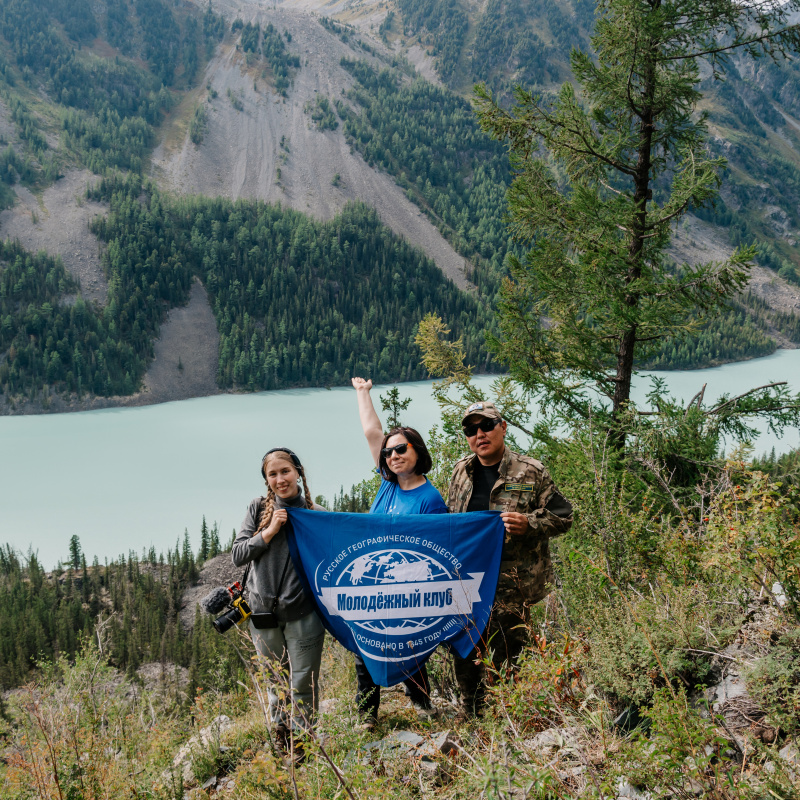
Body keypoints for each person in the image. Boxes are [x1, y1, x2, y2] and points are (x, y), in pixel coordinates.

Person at [447, 400, 573, 716]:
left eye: (487, 426)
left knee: (508, 652)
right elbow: (451, 522)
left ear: (503, 427)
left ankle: (507, 716)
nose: (479, 434)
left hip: (513, 584)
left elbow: (564, 515)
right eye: (471, 429)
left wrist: (529, 523)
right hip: (468, 580)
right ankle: (471, 711)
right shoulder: (461, 472)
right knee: (464, 648)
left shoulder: (530, 471)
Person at [351, 376, 448, 729]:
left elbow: (435, 551)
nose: (393, 455)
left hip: (409, 585)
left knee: (410, 646)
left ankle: (423, 703)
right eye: (389, 452)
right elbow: (371, 433)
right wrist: (363, 393)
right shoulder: (386, 482)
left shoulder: (430, 500)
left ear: (417, 451)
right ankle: (366, 716)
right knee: (367, 646)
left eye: (401, 449)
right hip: (378, 582)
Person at [231, 447, 325, 760]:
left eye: (285, 471)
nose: (280, 479)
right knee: (275, 682)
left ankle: (302, 745)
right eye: (272, 474)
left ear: (298, 471)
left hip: (303, 613)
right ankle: (282, 735)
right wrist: (269, 531)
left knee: (303, 683)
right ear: (266, 480)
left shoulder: (317, 514)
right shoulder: (258, 508)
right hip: (262, 614)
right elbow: (238, 554)